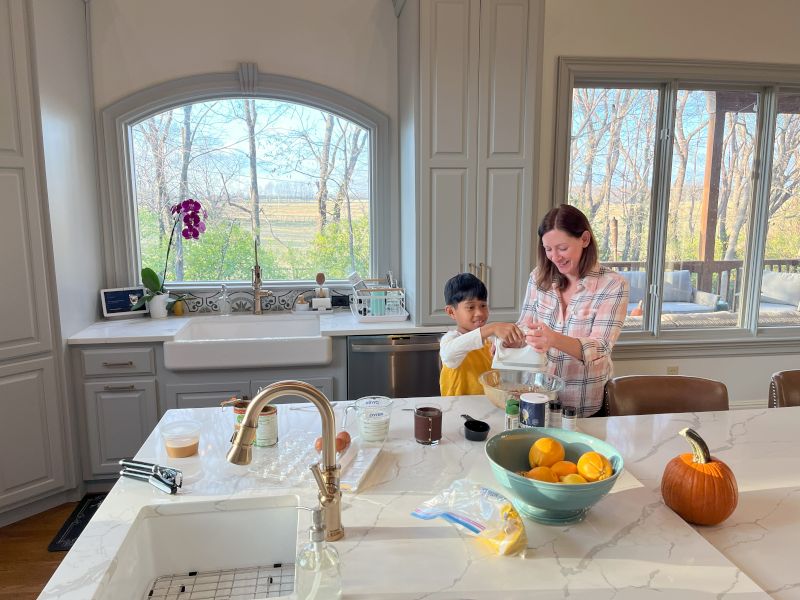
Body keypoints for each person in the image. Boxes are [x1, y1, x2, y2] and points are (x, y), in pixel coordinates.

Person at [519, 204, 628, 416]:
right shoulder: (538, 277)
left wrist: (553, 339)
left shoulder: (613, 285)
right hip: (537, 397)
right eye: (548, 249)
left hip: (584, 405)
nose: (554, 257)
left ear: (585, 239)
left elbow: (600, 347)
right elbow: (525, 325)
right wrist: (511, 338)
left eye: (562, 248)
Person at [439, 273, 524, 396]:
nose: (479, 313)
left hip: (487, 405)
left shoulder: (490, 340)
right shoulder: (450, 339)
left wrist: (512, 345)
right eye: (471, 307)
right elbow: (449, 355)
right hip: (458, 410)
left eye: (483, 305)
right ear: (451, 312)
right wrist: (491, 328)